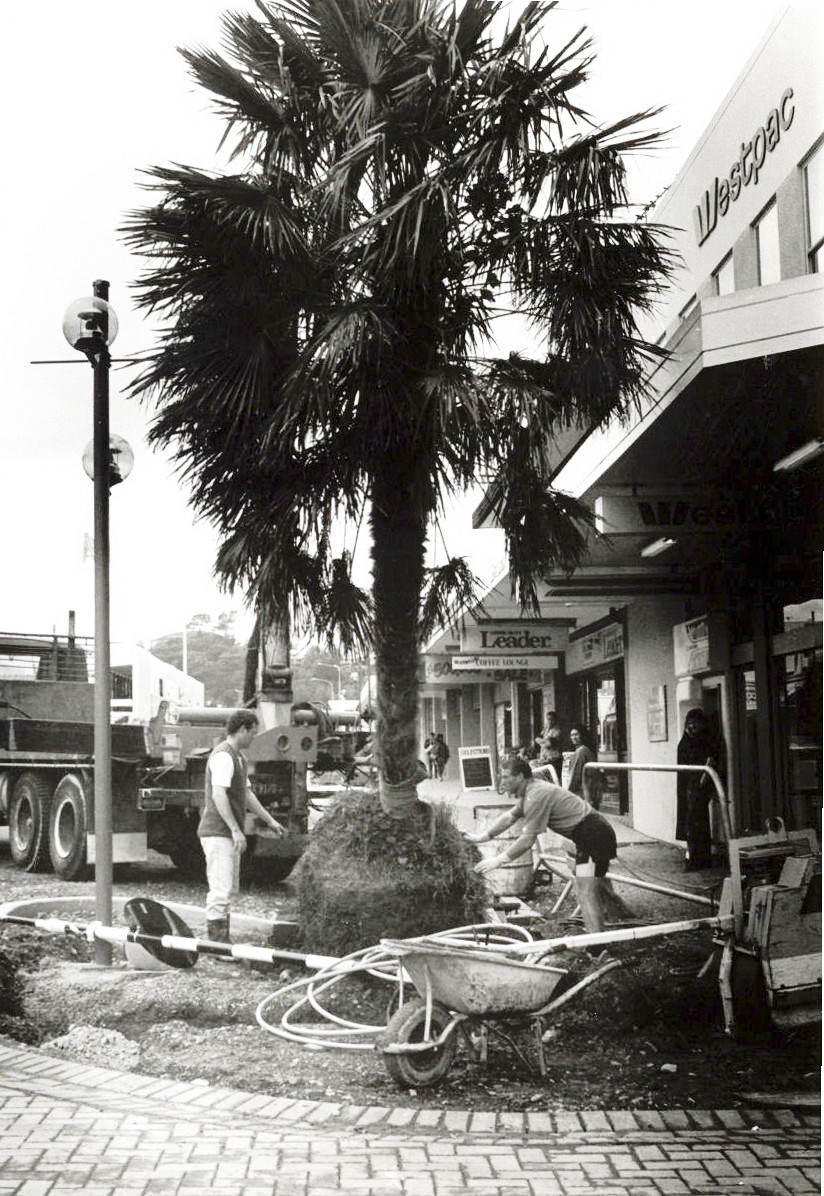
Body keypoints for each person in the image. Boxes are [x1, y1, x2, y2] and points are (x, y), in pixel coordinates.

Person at [464, 754, 617, 934]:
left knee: (586, 892)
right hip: (589, 833)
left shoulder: (535, 795)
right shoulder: (530, 791)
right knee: (592, 886)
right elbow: (508, 818)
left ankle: (597, 946)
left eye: (506, 776)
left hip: (593, 836)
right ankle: (615, 920)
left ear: (520, 776)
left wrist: (498, 861)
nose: (502, 781)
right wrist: (481, 837)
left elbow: (528, 839)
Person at [197, 709, 285, 943]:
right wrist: (236, 830)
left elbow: (246, 795)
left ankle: (221, 940)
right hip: (217, 831)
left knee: (226, 888)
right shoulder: (223, 757)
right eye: (253, 733)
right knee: (220, 888)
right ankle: (217, 943)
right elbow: (219, 795)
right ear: (243, 729)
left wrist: (270, 820)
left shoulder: (239, 758)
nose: (253, 738)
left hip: (224, 832)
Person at [676, 708, 724, 871]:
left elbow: (711, 760)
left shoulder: (706, 741)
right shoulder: (686, 742)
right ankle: (697, 857)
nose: (691, 727)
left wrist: (702, 783)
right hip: (688, 785)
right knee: (692, 821)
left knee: (696, 821)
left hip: (699, 785)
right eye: (689, 724)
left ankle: (698, 858)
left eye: (694, 724)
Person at [565, 724, 603, 809]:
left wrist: (568, 792)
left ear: (582, 735)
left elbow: (576, 774)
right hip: (590, 790)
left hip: (584, 792)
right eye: (572, 735)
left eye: (576, 734)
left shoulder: (581, 751)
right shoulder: (585, 749)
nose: (574, 737)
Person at [537, 711, 563, 779]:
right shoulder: (546, 729)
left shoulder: (557, 730)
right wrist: (544, 741)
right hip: (545, 758)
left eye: (551, 719)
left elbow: (549, 744)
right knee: (545, 777)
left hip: (553, 758)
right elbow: (537, 739)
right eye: (548, 719)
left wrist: (542, 742)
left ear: (555, 720)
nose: (549, 721)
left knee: (553, 777)